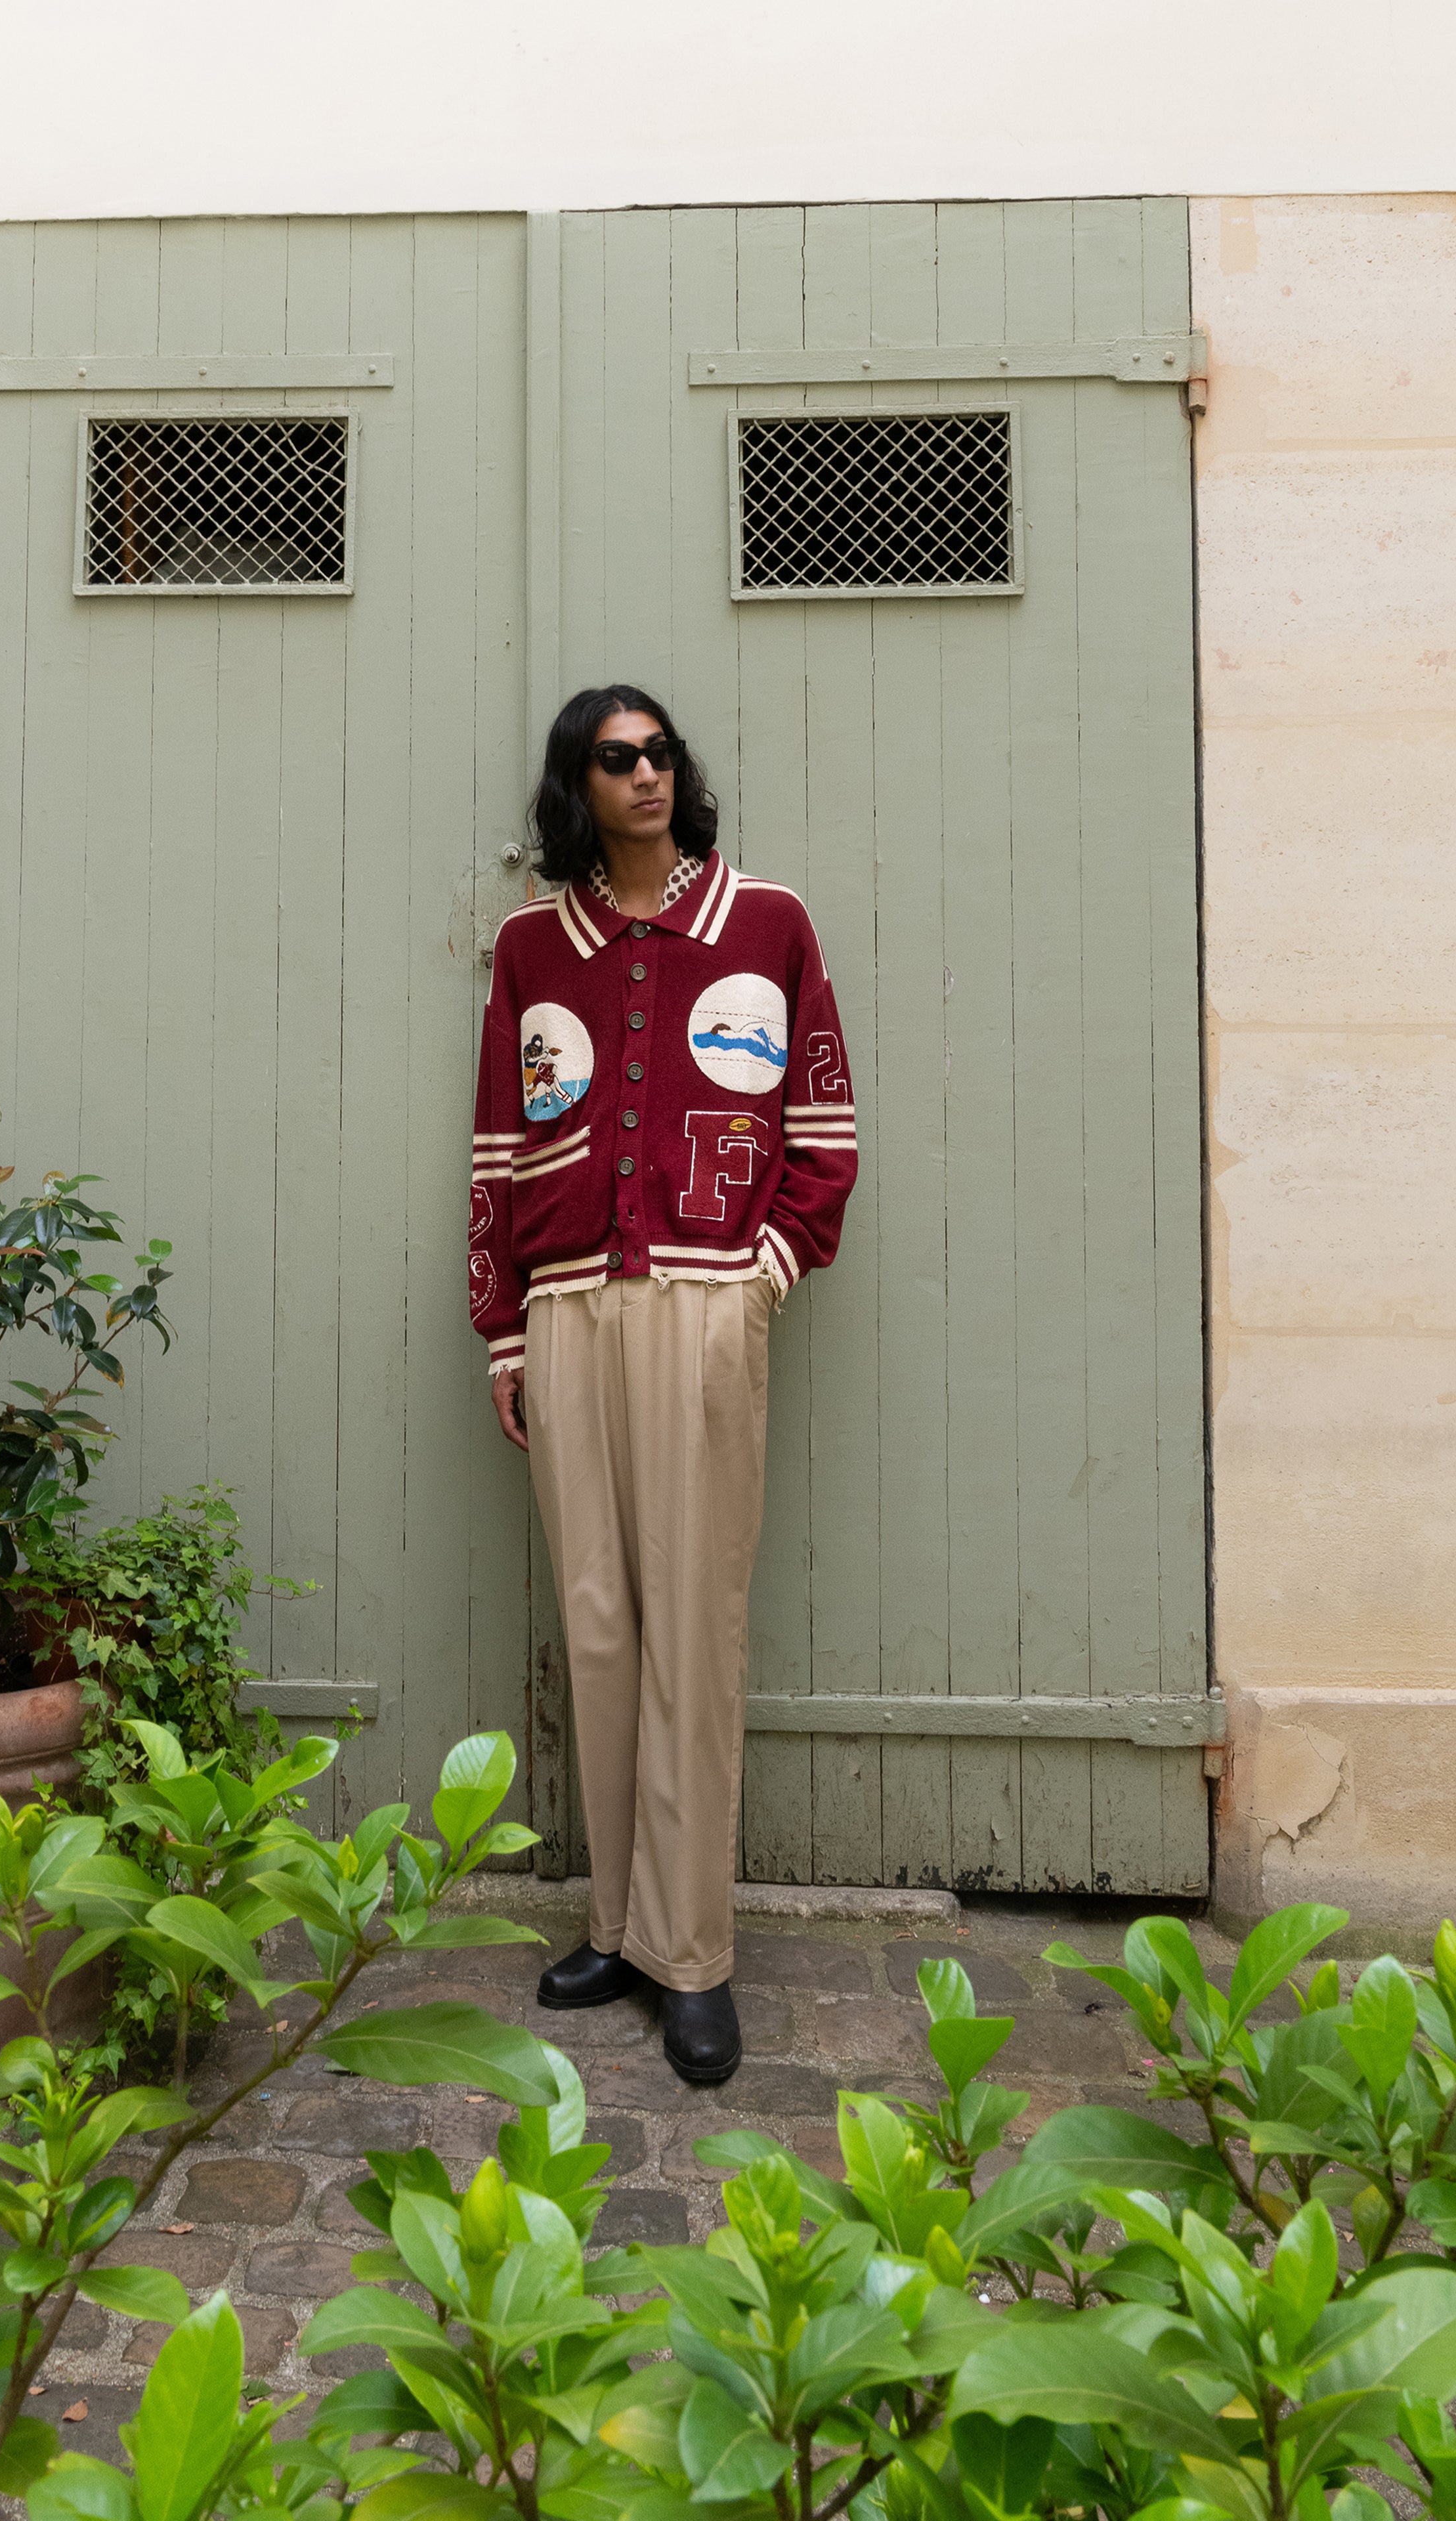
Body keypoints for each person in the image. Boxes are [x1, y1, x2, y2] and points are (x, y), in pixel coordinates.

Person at [467, 685, 857, 2083]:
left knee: (693, 1626)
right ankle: (618, 1931)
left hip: (705, 1302)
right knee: (598, 1628)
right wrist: (505, 1329)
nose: (645, 774)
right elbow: (498, 1144)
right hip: (568, 1308)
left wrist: (763, 1271)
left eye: (659, 753)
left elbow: (823, 1127)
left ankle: (694, 1956)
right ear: (578, 786)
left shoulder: (768, 924)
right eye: (615, 758)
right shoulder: (533, 948)